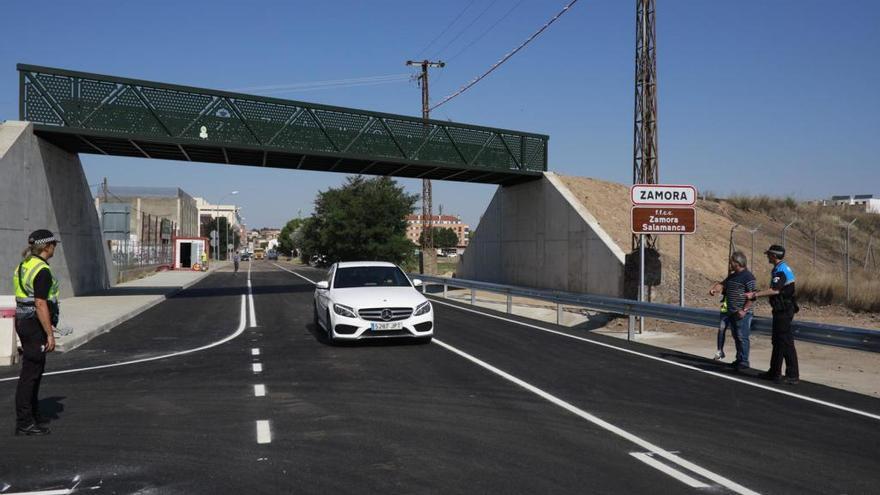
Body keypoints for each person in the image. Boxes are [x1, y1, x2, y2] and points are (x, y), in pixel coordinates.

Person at [12, 229, 61, 436]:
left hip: (24, 321)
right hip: (33, 326)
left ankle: (32, 415)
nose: (54, 248)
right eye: (53, 245)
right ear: (46, 246)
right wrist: (49, 333)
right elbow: (40, 302)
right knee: (30, 374)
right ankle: (24, 423)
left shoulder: (24, 265)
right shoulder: (41, 270)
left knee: (35, 371)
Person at [746, 244, 800, 384]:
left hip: (783, 309)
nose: (767, 256)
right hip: (782, 308)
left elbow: (775, 290)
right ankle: (775, 371)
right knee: (779, 341)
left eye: (769, 254)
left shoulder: (780, 270)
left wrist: (755, 294)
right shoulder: (780, 268)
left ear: (774, 256)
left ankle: (787, 374)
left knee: (783, 342)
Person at [709, 252, 756, 370]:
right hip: (731, 312)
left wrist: (744, 310)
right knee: (736, 336)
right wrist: (715, 289)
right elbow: (722, 284)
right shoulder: (733, 276)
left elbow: (753, 296)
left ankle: (744, 361)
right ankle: (739, 359)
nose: (730, 264)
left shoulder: (748, 277)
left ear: (738, 263)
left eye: (732, 262)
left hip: (742, 313)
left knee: (742, 337)